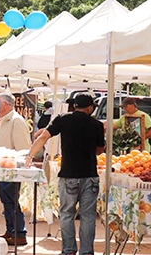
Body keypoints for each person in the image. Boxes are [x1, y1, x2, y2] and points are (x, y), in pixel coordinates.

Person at [26, 94, 104, 255]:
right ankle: (86, 251)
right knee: (88, 215)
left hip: (68, 173)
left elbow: (44, 137)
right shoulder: (96, 124)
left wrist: (30, 155)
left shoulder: (62, 119)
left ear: (75, 106)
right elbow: (99, 150)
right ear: (90, 108)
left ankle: (68, 249)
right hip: (89, 174)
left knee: (67, 213)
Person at [0, 93, 32, 246]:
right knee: (6, 201)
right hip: (3, 168)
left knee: (11, 201)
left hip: (11, 169)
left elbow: (23, 149)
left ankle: (19, 233)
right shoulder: (4, 120)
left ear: (5, 104)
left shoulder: (16, 121)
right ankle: (11, 231)